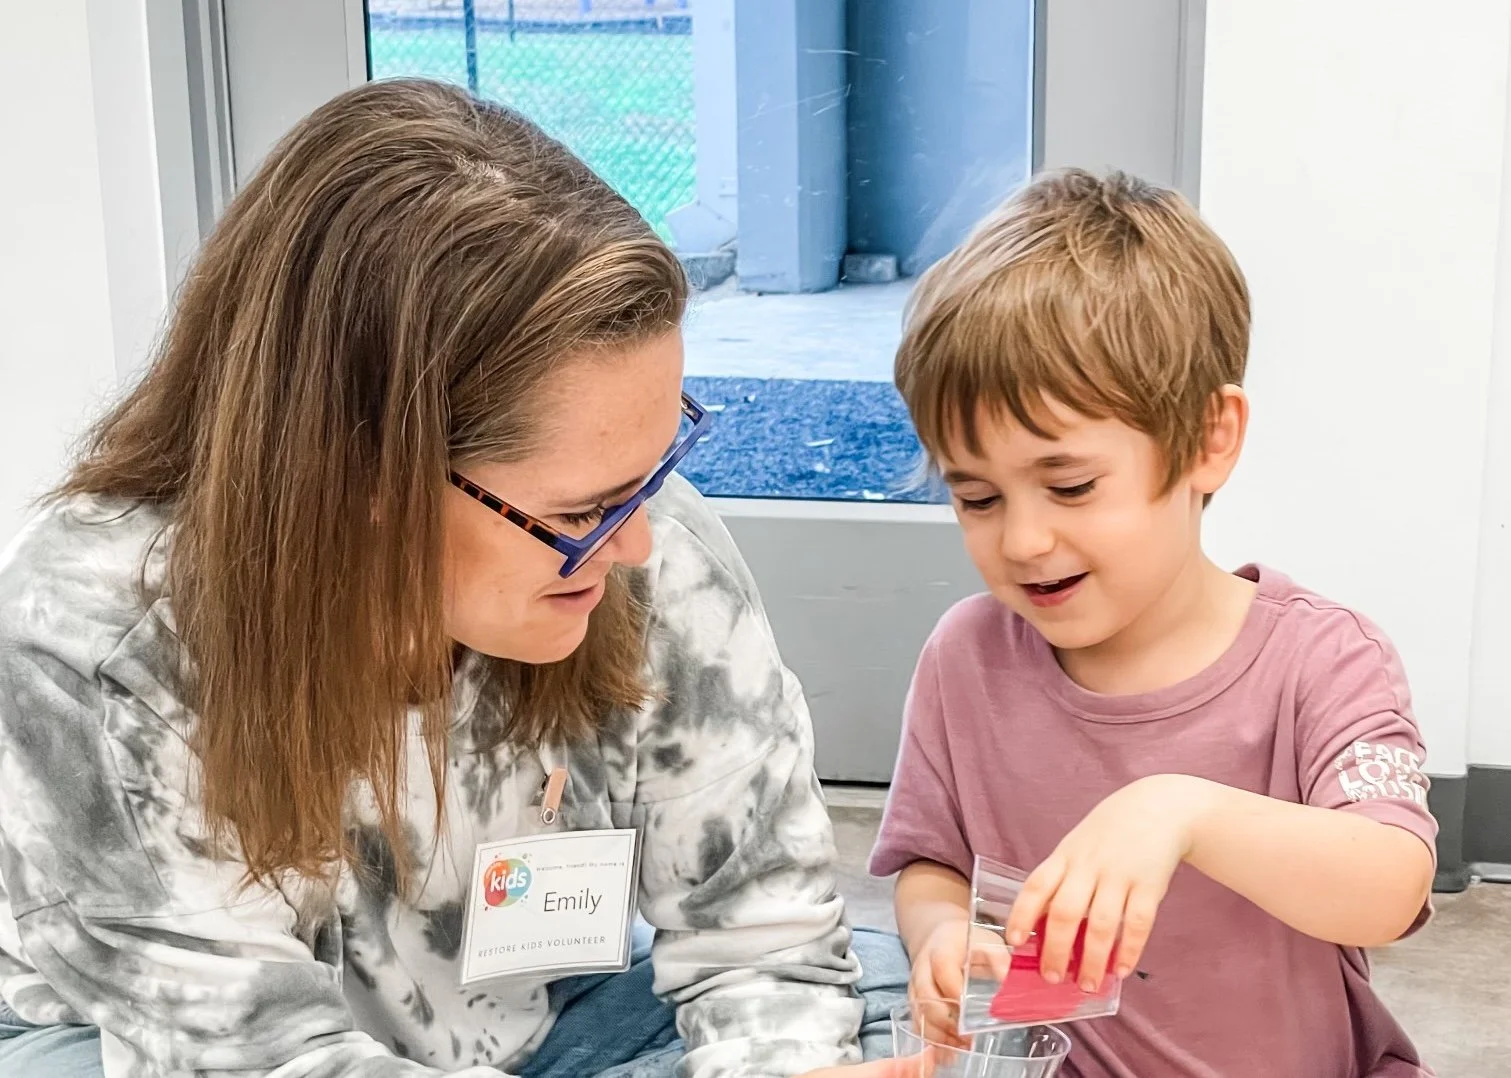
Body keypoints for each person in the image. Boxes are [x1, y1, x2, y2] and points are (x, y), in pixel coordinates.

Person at [0, 78, 909, 1078]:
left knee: (901, 997)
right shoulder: (96, 637)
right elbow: (251, 1055)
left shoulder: (640, 538)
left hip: (538, 1017)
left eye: (653, 471)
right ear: (362, 477)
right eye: (577, 513)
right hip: (164, 1047)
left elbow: (761, 936)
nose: (636, 546)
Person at [871, 169, 1437, 1076]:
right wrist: (939, 936)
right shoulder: (967, 660)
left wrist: (1180, 808)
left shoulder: (1321, 660)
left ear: (1210, 440)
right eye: (974, 497)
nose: (1022, 539)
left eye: (1070, 486)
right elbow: (932, 861)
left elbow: (1388, 885)